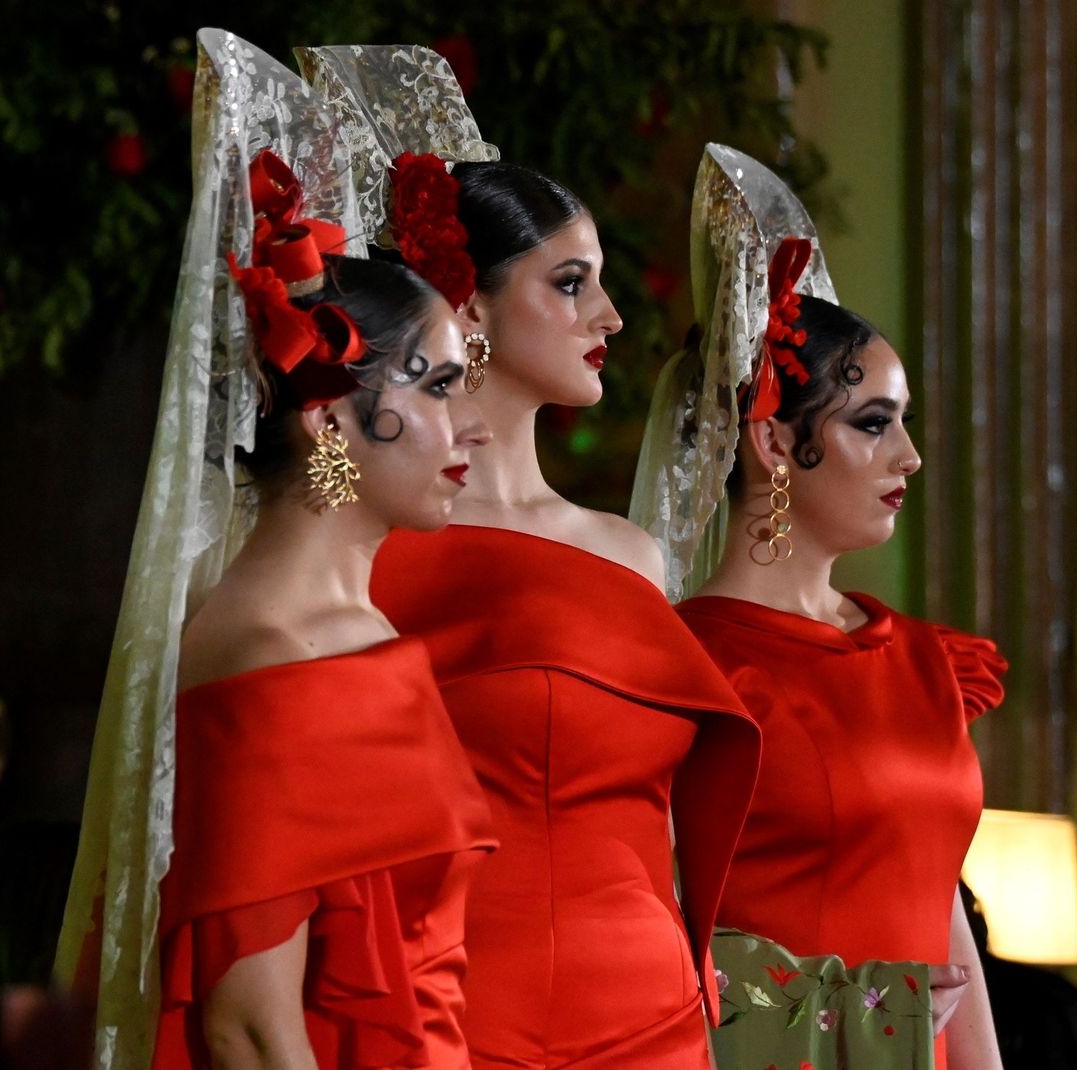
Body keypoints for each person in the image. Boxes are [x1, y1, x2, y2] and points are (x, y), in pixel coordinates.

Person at [301, 46, 763, 1068]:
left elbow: (666, 834)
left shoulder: (632, 556)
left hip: (657, 1019)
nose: (612, 317)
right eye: (570, 284)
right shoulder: (371, 542)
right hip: (470, 1019)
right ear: (468, 305)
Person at [54, 32, 495, 1070]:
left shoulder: (340, 633)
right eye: (439, 386)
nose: (470, 426)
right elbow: (249, 1028)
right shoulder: (275, 663)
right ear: (331, 419)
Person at [633, 143, 1004, 1070]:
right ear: (772, 442)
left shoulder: (925, 659)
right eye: (873, 423)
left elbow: (941, 908)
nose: (909, 456)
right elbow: (660, 938)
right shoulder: (687, 669)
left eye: (903, 421)